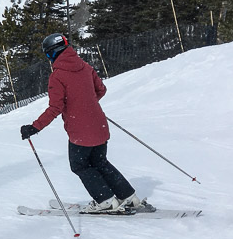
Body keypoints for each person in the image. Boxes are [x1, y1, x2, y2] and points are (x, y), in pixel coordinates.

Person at [20, 33, 144, 213]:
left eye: (48, 55)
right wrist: (87, 105)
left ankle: (106, 201)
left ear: (53, 54)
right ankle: (129, 197)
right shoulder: (86, 67)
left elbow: (55, 107)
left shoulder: (58, 76)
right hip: (99, 126)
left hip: (81, 132)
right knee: (101, 162)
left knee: (80, 165)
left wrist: (34, 127)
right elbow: (101, 90)